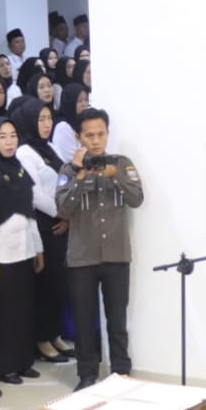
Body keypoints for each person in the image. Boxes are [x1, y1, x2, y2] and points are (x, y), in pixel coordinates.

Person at [56, 108, 142, 390]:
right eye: (89, 135)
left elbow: (137, 198)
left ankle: (121, 371)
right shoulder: (68, 170)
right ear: (79, 137)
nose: (96, 141)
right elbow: (63, 208)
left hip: (116, 254)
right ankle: (87, 375)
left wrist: (115, 176)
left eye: (101, 134)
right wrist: (80, 176)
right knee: (84, 320)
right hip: (82, 257)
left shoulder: (121, 163)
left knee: (117, 318)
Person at [0, 116, 44, 386]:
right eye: (2, 137)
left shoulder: (18, 167)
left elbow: (30, 211)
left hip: (24, 249)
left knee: (23, 308)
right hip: (2, 251)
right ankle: (5, 366)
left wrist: (38, 247)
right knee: (4, 312)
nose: (9, 142)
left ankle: (23, 360)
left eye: (13, 135)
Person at [11, 100, 74, 366]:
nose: (47, 124)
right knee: (46, 283)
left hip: (62, 220)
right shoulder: (25, 152)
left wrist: (69, 214)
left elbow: (67, 177)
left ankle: (55, 333)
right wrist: (61, 213)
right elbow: (33, 193)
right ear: (29, 122)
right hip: (44, 223)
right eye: (41, 119)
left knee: (60, 283)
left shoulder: (50, 146)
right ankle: (42, 338)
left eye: (49, 118)